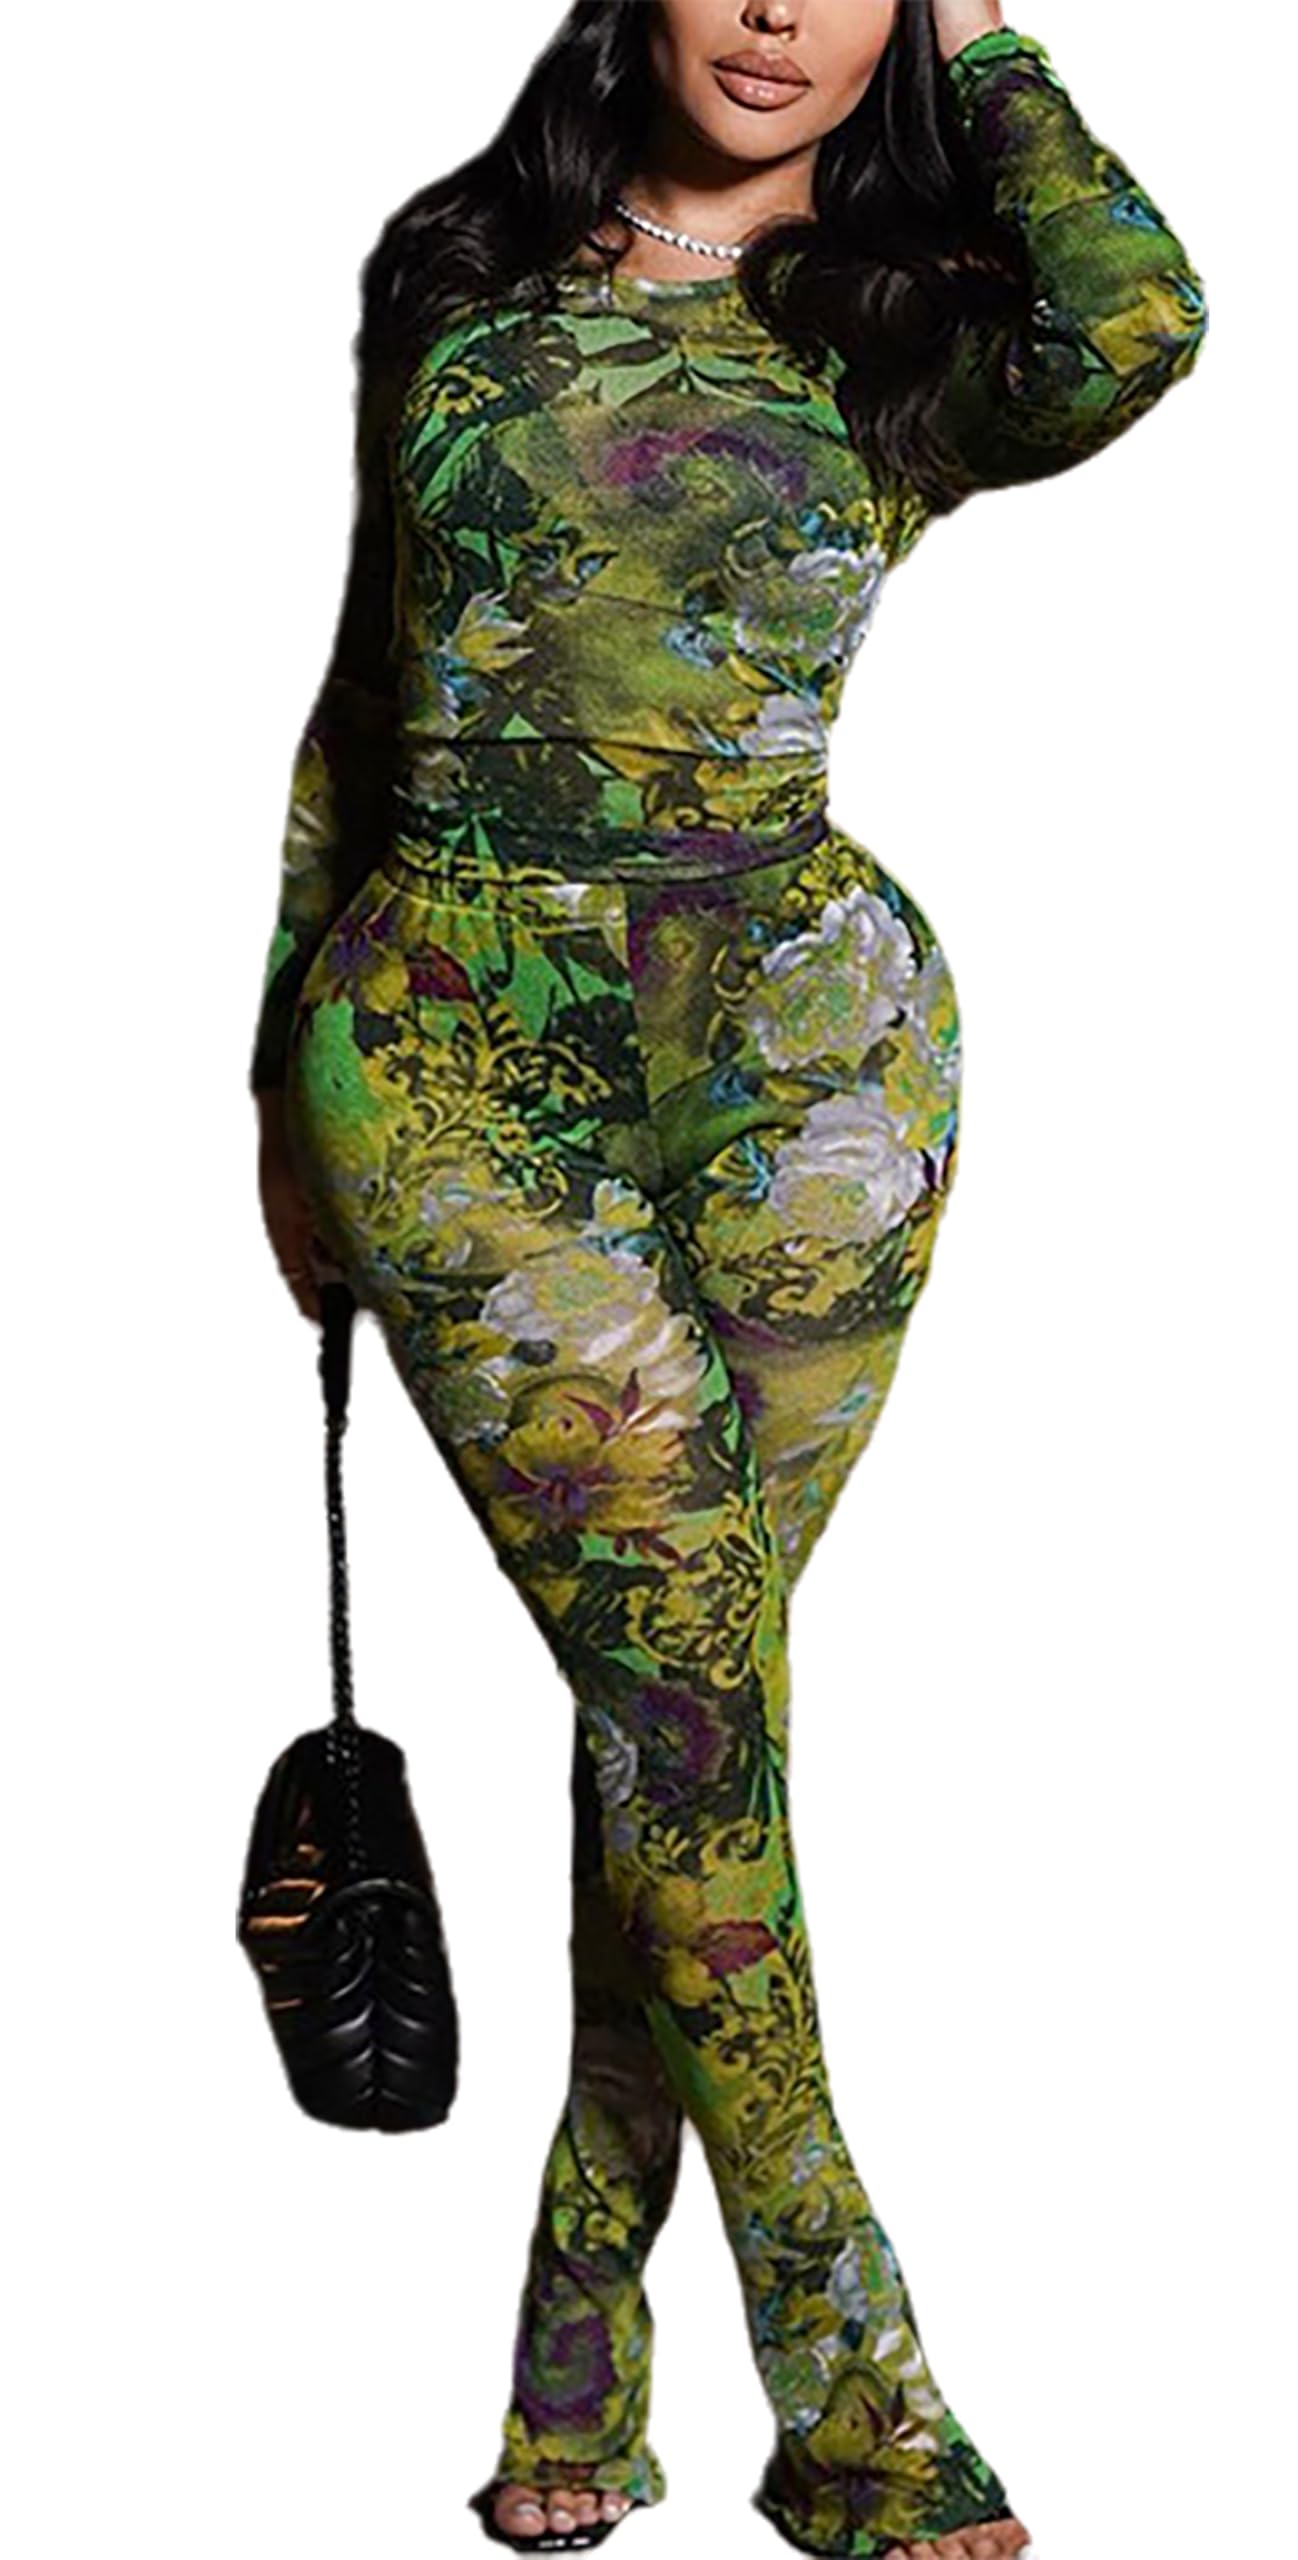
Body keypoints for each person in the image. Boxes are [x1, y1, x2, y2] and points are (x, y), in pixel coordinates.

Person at [250, 4, 1207, 2552]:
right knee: (685, 1695)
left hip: (808, 1061)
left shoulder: (917, 316)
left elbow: (1145, 319)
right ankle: (855, 2395)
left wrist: (992, 51)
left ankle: (577, 2345)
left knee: (683, 1718)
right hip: (447, 1041)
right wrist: (270, 1080)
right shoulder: (455, 272)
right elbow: (359, 686)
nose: (779, 10)